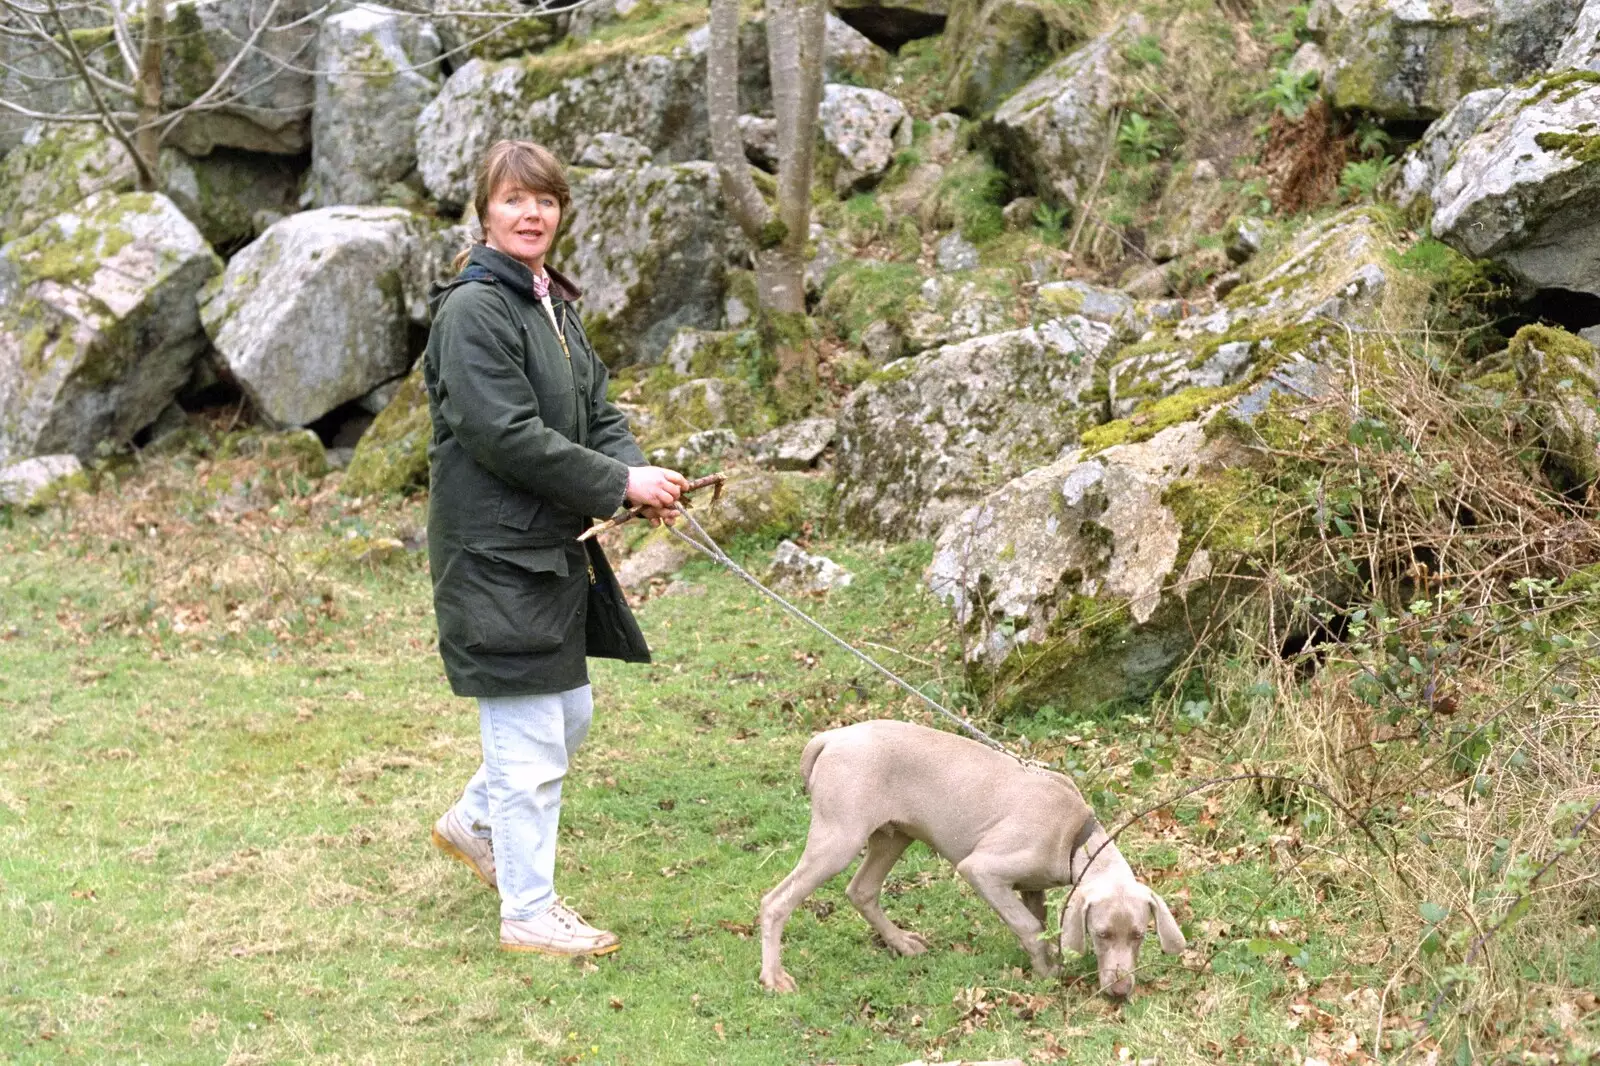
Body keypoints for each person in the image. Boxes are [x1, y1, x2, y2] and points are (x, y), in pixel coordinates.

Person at [422, 139, 688, 956]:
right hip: (495, 551)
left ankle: (474, 821)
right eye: (514, 199)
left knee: (566, 712)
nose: (532, 213)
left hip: (545, 547)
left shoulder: (550, 303)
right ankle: (529, 914)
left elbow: (595, 406)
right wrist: (616, 485)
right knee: (533, 740)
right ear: (486, 211)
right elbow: (502, 434)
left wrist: (634, 468)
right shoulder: (474, 310)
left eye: (545, 200)